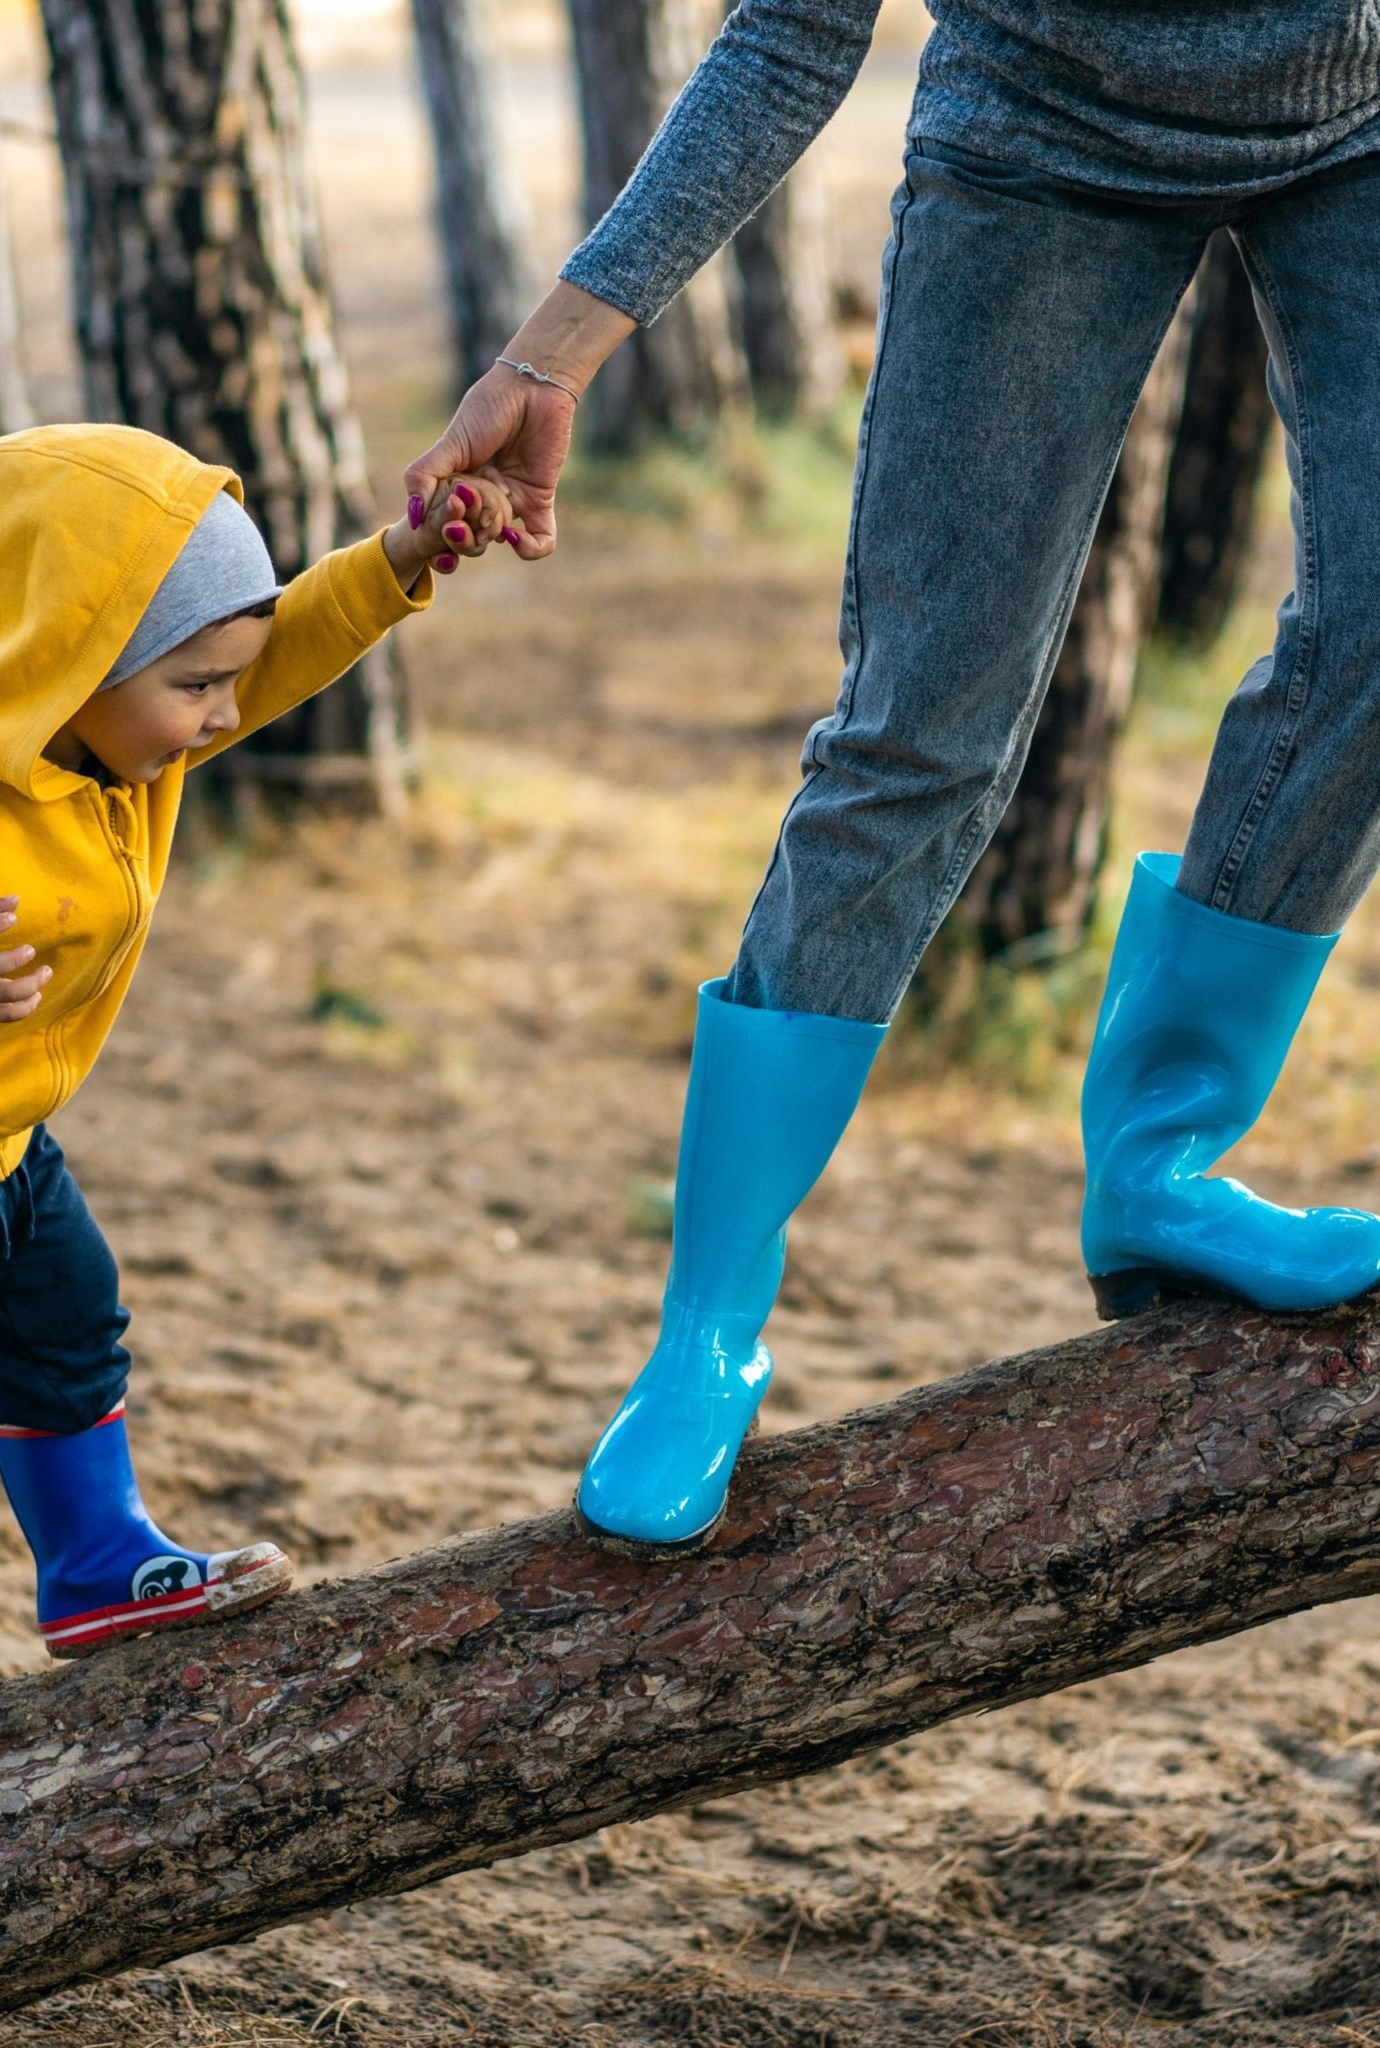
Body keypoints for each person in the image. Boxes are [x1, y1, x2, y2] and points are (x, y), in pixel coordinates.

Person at [405, 3, 1380, 1556]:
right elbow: (790, 30)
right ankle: (705, 1331)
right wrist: (560, 347)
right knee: (921, 733)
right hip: (1039, 146)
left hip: (1359, 123)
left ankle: (1161, 1161)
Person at [0, 422, 515, 1785]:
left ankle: (94, 1564)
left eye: (222, 683)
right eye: (195, 685)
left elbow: (282, 647)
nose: (224, 714)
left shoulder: (134, 742)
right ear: (71, 665)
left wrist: (402, 558)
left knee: (69, 1333)